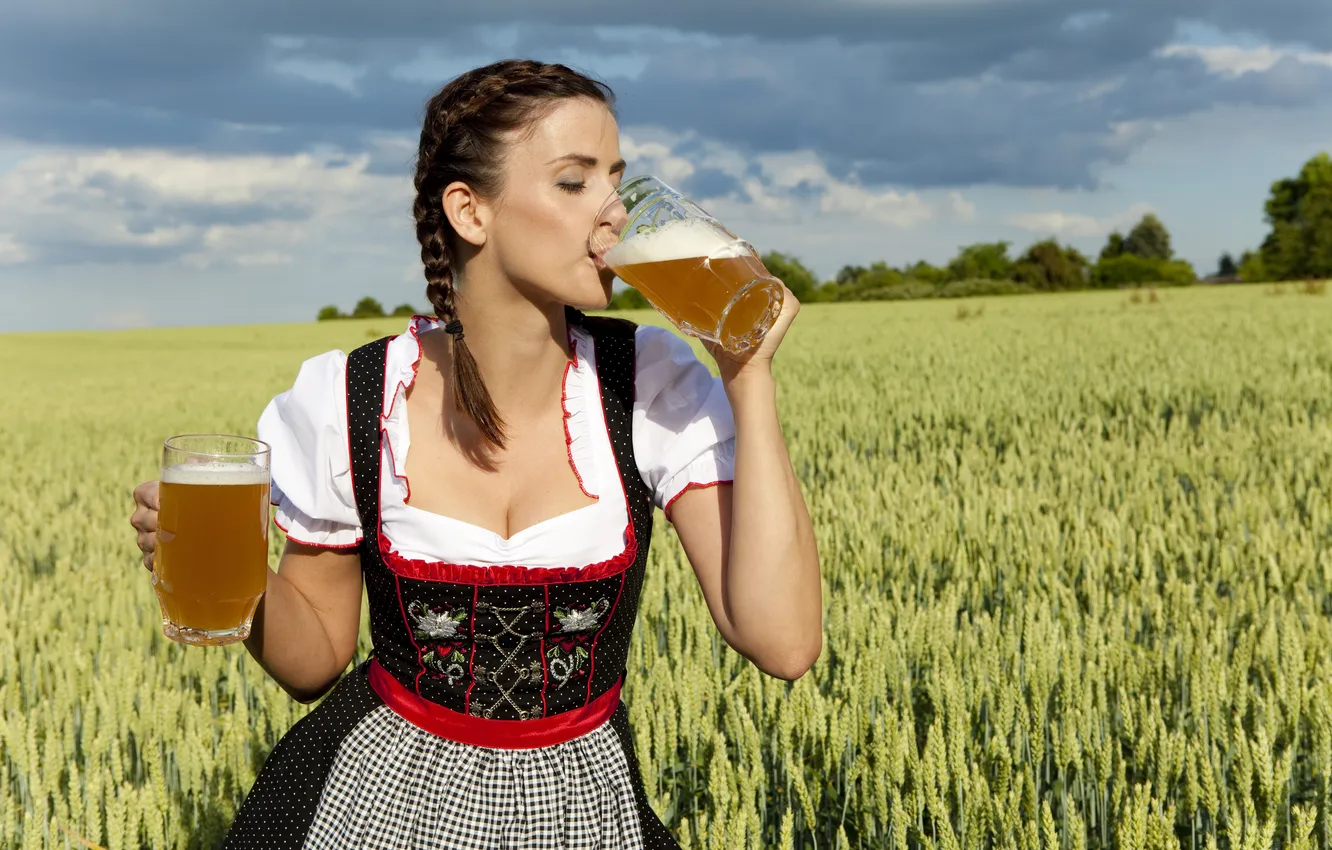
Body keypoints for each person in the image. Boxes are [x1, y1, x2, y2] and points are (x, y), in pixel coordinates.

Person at [129, 58, 822, 849]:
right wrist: (234, 565)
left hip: (580, 811)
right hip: (371, 802)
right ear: (470, 210)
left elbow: (785, 643)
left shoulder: (650, 387)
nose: (614, 216)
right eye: (574, 182)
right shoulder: (351, 399)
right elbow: (315, 658)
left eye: (618, 181)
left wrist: (748, 375)